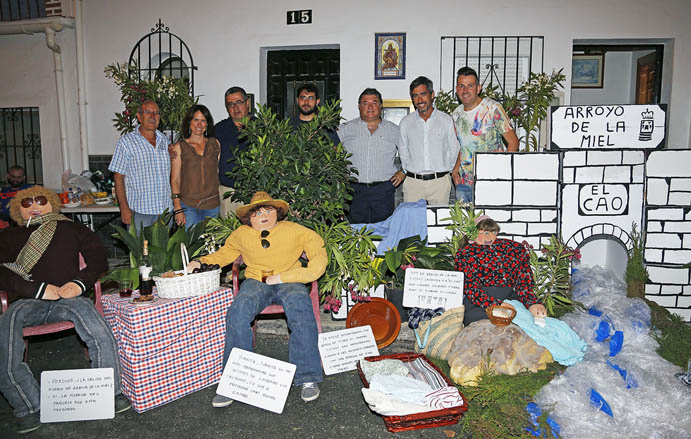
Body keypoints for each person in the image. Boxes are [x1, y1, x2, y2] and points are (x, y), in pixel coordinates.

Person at [0, 186, 130, 434]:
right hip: (30, 299)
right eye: (27, 203)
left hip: (69, 296)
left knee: (98, 328)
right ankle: (27, 405)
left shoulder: (70, 227)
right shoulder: (9, 236)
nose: (35, 206)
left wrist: (79, 283)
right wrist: (37, 289)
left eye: (40, 200)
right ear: (19, 209)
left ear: (51, 203)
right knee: (6, 327)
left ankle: (109, 393)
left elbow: (97, 255)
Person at [187, 191, 327, 407]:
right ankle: (234, 380)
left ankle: (307, 377)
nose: (263, 215)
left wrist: (285, 276)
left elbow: (318, 256)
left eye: (268, 210)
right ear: (249, 217)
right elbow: (224, 255)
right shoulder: (241, 234)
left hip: (288, 279)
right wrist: (200, 261)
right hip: (256, 281)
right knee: (238, 312)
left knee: (301, 310)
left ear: (277, 213)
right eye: (257, 212)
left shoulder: (294, 231)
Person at [455, 215, 546, 325]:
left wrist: (532, 303)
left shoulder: (512, 249)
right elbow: (470, 288)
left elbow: (523, 282)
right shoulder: (465, 254)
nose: (489, 237)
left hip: (511, 301)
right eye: (485, 232)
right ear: (474, 233)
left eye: (494, 232)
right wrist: (495, 304)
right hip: (479, 304)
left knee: (533, 323)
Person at [451, 67, 519, 203]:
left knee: (489, 222)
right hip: (464, 183)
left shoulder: (493, 109)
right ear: (457, 89)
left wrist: (503, 172)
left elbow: (513, 142)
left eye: (470, 86)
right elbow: (464, 146)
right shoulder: (456, 114)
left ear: (478, 88)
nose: (465, 91)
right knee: (464, 223)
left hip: (490, 181)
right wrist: (455, 171)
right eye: (461, 86)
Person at [337, 88, 405, 224]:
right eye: (365, 103)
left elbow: (410, 153)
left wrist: (403, 171)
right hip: (354, 191)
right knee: (356, 233)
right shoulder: (344, 129)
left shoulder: (395, 130)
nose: (370, 107)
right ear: (359, 106)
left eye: (374, 103)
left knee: (383, 232)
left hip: (383, 190)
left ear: (380, 106)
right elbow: (329, 152)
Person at [109, 100, 172, 230]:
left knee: (164, 250)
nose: (153, 116)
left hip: (165, 212)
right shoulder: (126, 142)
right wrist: (124, 208)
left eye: (156, 113)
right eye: (148, 112)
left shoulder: (165, 141)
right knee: (139, 250)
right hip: (139, 213)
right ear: (139, 117)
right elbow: (118, 178)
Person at [399, 76, 461, 205]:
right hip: (413, 184)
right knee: (412, 223)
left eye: (423, 94)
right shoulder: (406, 123)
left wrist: (446, 173)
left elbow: (454, 149)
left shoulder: (446, 120)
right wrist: (407, 170)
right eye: (415, 95)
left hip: (440, 183)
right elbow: (403, 151)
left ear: (432, 95)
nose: (419, 99)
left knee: (439, 223)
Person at [170, 104, 221, 229]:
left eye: (203, 120)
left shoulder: (215, 144)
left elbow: (216, 172)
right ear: (189, 122)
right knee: (191, 246)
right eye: (196, 120)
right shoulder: (179, 147)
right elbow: (175, 180)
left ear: (207, 124)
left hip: (212, 207)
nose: (199, 124)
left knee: (209, 246)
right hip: (188, 206)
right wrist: (178, 208)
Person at [215, 86, 252, 217]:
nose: (235, 108)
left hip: (254, 194)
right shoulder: (219, 130)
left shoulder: (261, 127)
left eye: (239, 102)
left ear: (247, 103)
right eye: (231, 104)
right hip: (228, 194)